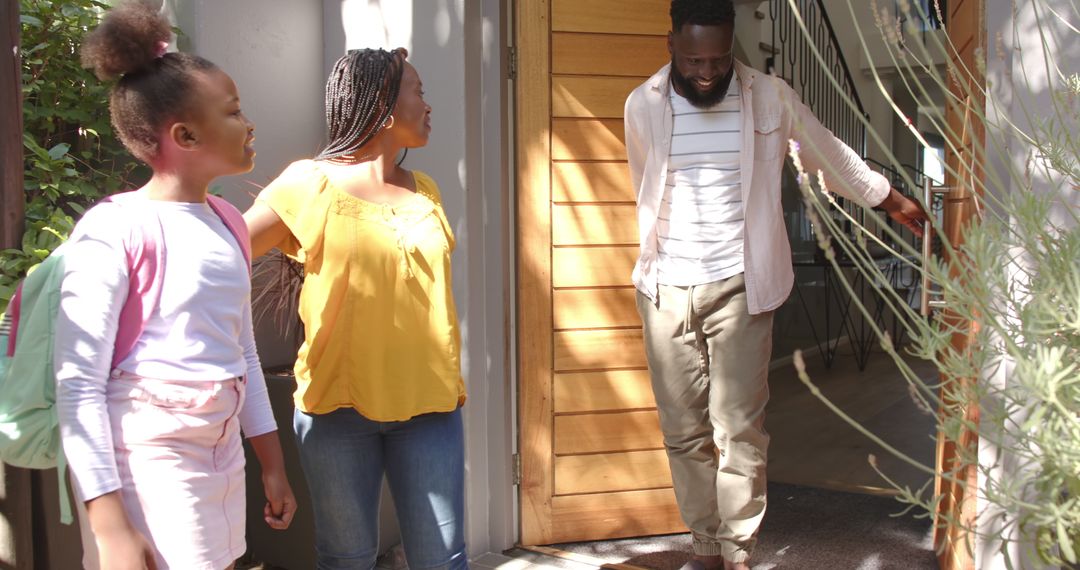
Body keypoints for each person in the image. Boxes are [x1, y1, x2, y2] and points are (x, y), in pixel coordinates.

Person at [623, 1, 928, 568]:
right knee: (682, 432)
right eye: (693, 61)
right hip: (665, 287)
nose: (707, 73)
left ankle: (736, 552)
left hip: (742, 284)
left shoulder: (769, 96)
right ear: (671, 46)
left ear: (731, 46)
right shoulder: (642, 104)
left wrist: (889, 199)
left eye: (718, 60)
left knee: (738, 429)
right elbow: (647, 187)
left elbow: (827, 154)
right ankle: (705, 547)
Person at [56, 2, 296, 568]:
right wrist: (109, 524)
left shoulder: (229, 222)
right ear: (184, 135)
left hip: (220, 455)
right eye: (233, 112)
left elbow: (242, 351)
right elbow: (78, 384)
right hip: (146, 460)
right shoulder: (114, 229)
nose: (249, 124)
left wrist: (271, 462)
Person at [244, 47, 468, 569]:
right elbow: (224, 249)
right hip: (336, 412)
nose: (428, 104)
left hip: (430, 406)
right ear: (384, 105)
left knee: (443, 560)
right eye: (418, 91)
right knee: (346, 559)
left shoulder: (426, 190)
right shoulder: (309, 183)